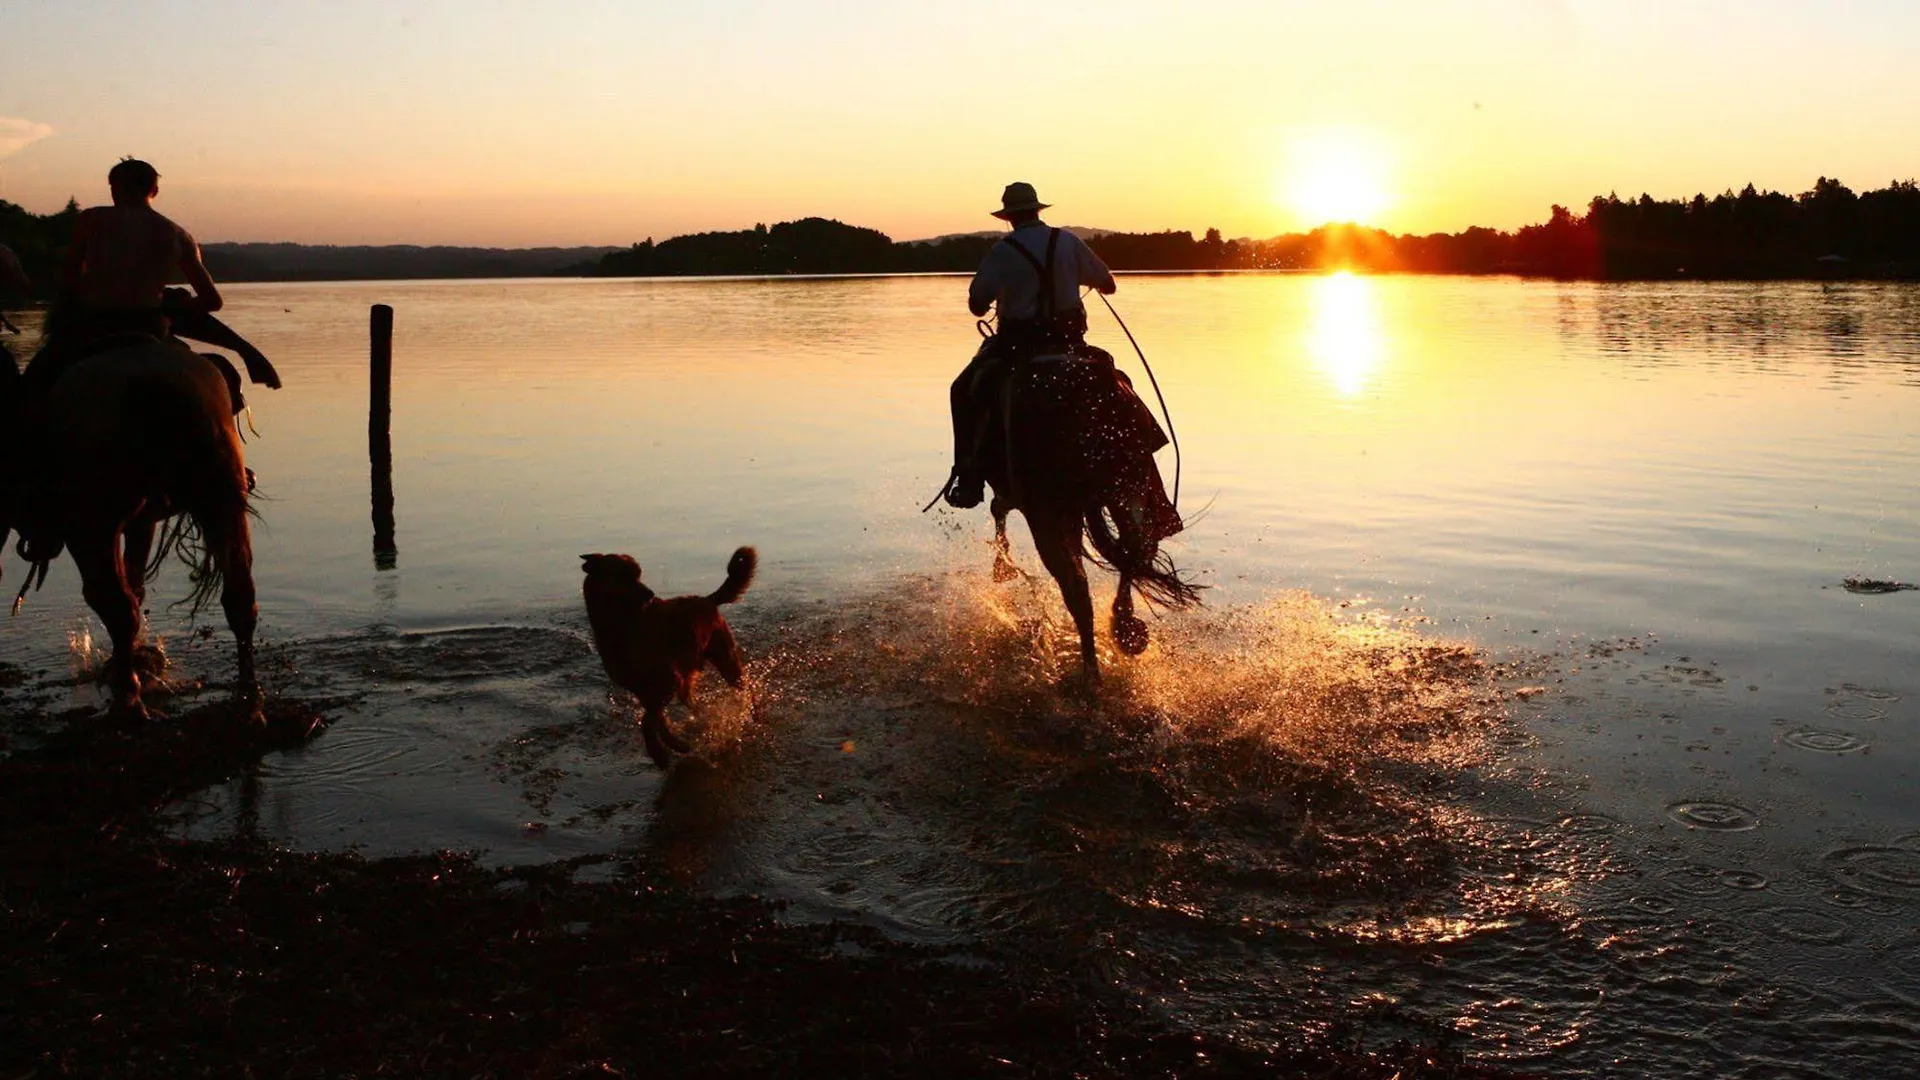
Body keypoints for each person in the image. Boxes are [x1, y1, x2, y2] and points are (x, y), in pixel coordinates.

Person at [942, 182, 1116, 508]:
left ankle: (969, 479)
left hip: (1017, 348)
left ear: (1009, 217)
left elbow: (978, 304)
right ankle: (1142, 464)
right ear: (1038, 210)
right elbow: (1108, 284)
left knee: (962, 390)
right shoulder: (1067, 240)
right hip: (1070, 341)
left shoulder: (1004, 250)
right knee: (1116, 381)